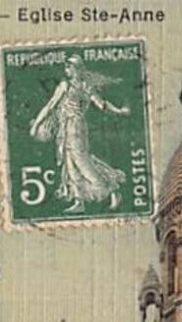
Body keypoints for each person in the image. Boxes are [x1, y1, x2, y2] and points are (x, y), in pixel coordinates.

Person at [29, 54, 130, 214]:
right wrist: (119, 111)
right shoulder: (75, 86)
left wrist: (119, 111)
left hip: (75, 127)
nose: (66, 69)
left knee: (81, 161)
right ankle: (78, 201)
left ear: (77, 69)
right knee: (70, 164)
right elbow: (51, 106)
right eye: (66, 66)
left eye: (69, 66)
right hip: (67, 127)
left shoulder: (77, 86)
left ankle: (110, 189)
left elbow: (101, 104)